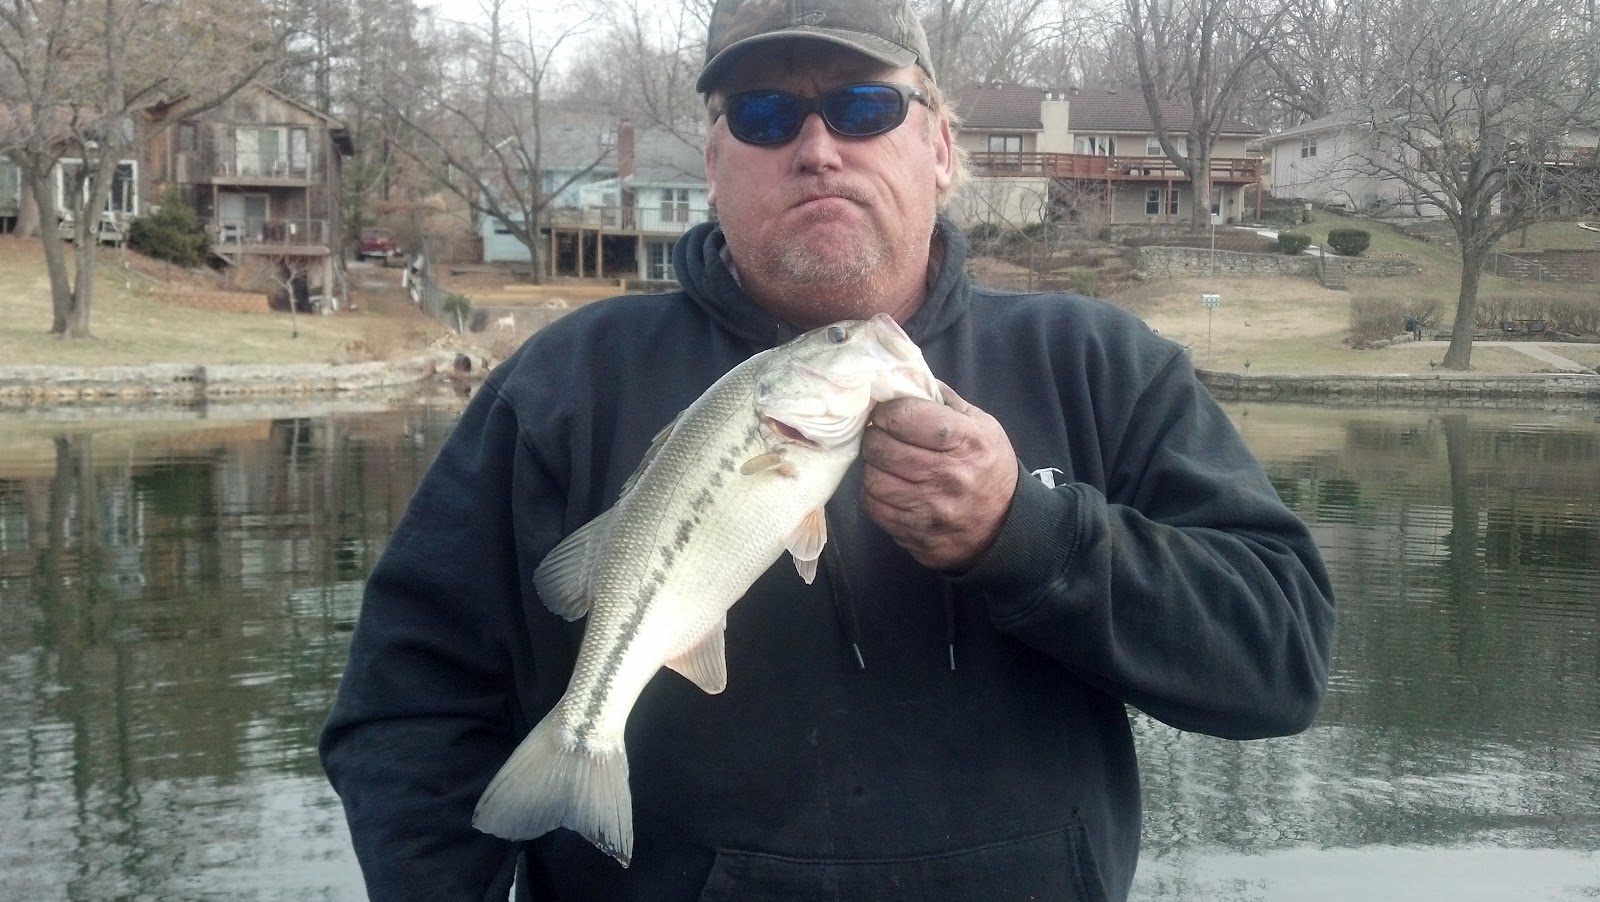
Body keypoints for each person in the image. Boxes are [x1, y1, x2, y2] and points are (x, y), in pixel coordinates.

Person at [319, 1, 1337, 899]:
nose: (816, 147)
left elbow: (1280, 657)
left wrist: (1027, 534)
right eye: (763, 116)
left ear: (938, 145)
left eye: (862, 106)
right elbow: (410, 708)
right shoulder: (560, 387)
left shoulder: (1102, 364)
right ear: (713, 164)